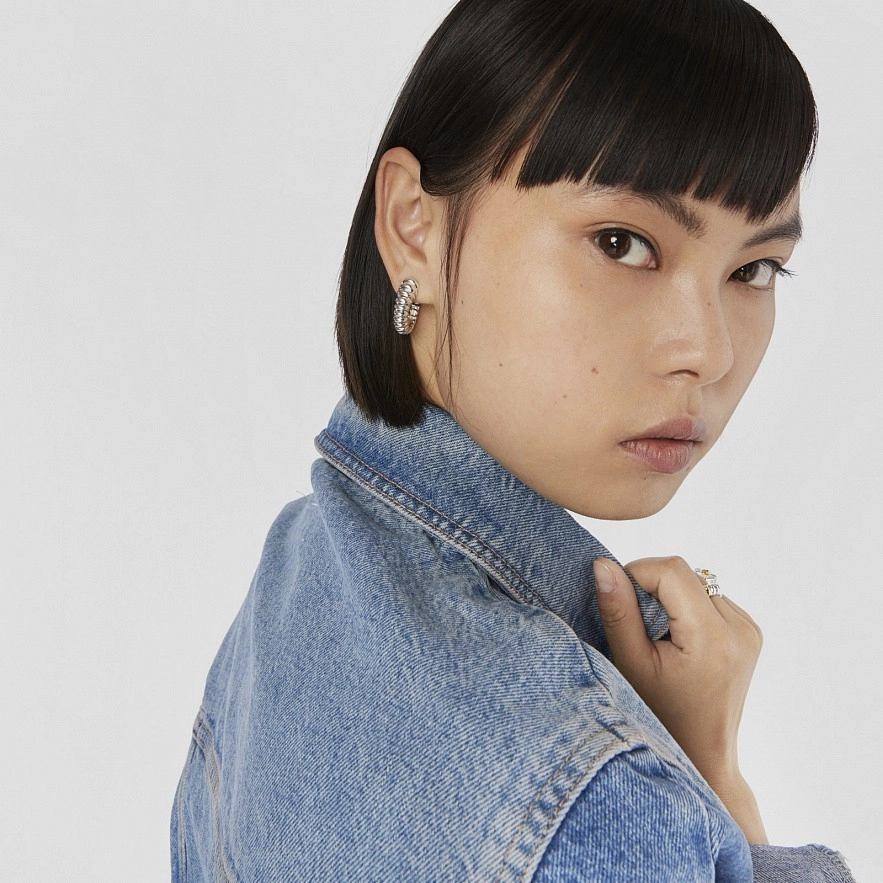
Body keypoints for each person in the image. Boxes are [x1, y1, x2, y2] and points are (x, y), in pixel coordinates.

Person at [172, 0, 856, 879]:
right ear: (412, 224)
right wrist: (709, 775)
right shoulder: (599, 797)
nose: (707, 350)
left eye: (752, 269)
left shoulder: (306, 558)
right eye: (622, 243)